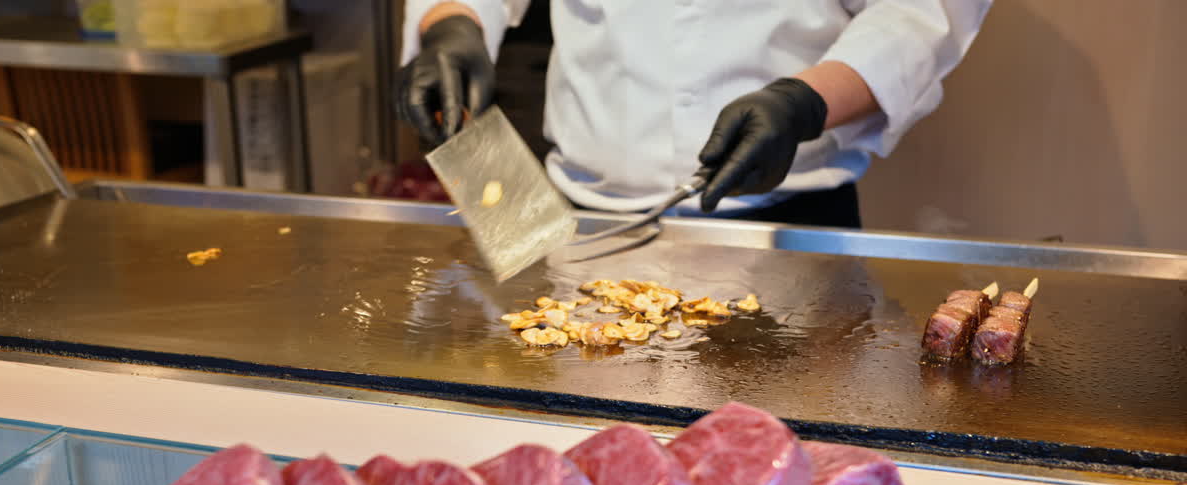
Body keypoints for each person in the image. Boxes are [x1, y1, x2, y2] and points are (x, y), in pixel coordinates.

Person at [396, 1, 992, 229]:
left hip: (787, 229)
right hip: (569, 220)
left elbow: (919, 12)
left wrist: (805, 102)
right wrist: (452, 23)